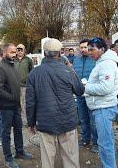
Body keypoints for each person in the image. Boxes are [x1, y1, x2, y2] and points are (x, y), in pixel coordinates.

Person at [26, 38, 84, 168]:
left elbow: (30, 101)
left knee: (47, 160)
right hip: (67, 120)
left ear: (45, 53)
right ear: (60, 52)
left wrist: (31, 122)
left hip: (45, 121)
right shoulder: (68, 70)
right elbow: (80, 90)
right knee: (71, 159)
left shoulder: (35, 73)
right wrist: (71, 69)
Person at [0, 43, 33, 168]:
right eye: (12, 52)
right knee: (6, 133)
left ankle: (20, 152)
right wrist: (12, 98)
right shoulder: (0, 68)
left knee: (18, 129)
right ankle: (8, 159)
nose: (15, 54)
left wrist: (18, 103)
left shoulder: (13, 65)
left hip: (15, 106)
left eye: (15, 52)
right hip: (6, 107)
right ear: (4, 53)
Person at [84, 37, 118, 167]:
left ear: (102, 49)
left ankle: (109, 166)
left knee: (105, 142)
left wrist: (85, 87)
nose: (89, 52)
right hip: (102, 106)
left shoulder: (107, 64)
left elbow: (106, 87)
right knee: (107, 140)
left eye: (92, 49)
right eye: (88, 50)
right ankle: (109, 164)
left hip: (104, 107)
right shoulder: (101, 62)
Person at [72, 38, 98, 153]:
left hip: (92, 94)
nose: (83, 49)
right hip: (80, 94)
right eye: (81, 47)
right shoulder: (76, 60)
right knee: (82, 118)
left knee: (93, 119)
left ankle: (96, 142)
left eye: (86, 47)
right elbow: (74, 74)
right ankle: (85, 139)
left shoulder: (95, 60)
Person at [14, 44, 34, 112]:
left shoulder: (29, 60)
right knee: (16, 103)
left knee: (25, 103)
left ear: (24, 50)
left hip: (25, 85)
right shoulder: (12, 60)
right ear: (16, 51)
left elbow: (32, 72)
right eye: (18, 50)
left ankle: (25, 120)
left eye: (21, 50)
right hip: (14, 86)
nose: (20, 51)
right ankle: (17, 119)